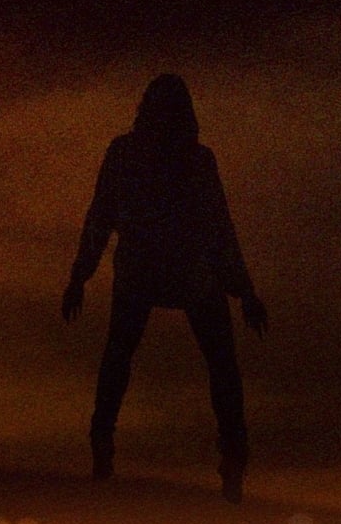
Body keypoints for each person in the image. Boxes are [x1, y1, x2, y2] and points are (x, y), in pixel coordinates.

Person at [62, 74, 267, 502]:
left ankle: (102, 439)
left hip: (143, 272)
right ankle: (233, 456)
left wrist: (81, 275)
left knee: (119, 354)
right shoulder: (196, 160)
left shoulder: (125, 153)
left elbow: (100, 217)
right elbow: (220, 229)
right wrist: (244, 292)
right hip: (192, 274)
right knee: (221, 365)